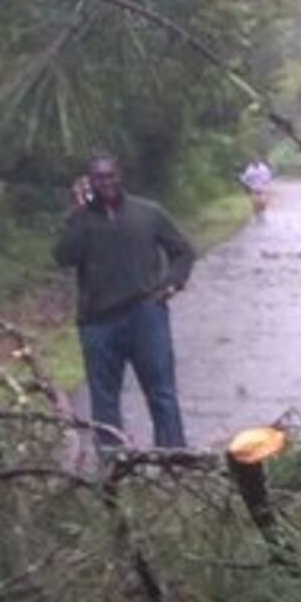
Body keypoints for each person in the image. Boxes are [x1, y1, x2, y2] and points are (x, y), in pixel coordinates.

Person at [52, 154, 196, 454]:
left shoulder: (148, 213)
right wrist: (76, 212)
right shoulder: (81, 219)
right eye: (99, 178)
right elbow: (64, 257)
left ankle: (175, 461)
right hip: (97, 322)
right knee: (104, 400)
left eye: (111, 176)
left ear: (121, 177)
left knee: (162, 393)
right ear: (88, 182)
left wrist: (171, 283)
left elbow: (182, 251)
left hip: (145, 314)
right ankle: (113, 471)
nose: (106, 183)